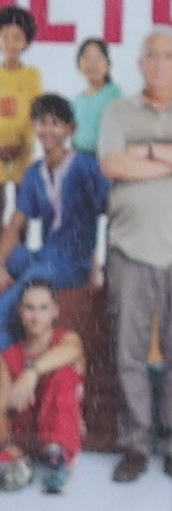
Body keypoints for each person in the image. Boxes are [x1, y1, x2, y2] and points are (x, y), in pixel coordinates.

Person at [97, 26, 172, 485]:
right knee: (128, 353)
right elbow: (112, 164)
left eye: (167, 56)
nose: (158, 63)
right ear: (139, 63)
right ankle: (134, 445)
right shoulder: (118, 110)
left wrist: (147, 150)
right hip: (129, 250)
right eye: (151, 55)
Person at [3, 94, 106, 348]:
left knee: (8, 306)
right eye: (41, 122)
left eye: (55, 123)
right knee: (16, 256)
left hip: (72, 263)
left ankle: (6, 370)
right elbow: (16, 225)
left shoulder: (85, 165)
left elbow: (107, 211)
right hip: (45, 254)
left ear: (70, 129)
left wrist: (98, 267)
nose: (47, 129)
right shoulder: (34, 171)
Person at [0, 278, 84, 493]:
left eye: (43, 308)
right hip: (24, 436)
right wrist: (7, 441)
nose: (36, 317)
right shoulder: (8, 356)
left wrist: (31, 373)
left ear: (55, 311)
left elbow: (72, 351)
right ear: (20, 311)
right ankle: (15, 461)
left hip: (61, 438)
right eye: (29, 308)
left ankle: (55, 455)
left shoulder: (67, 340)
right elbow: (4, 407)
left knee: (63, 372)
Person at [0, 7, 39, 189]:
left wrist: (24, 144)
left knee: (23, 201)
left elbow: (37, 112)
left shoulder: (32, 75)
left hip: (22, 150)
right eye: (5, 36)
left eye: (17, 37)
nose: (10, 43)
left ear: (26, 42)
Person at [68, 36, 118, 156]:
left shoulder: (115, 95)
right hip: (79, 159)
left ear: (108, 64)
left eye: (98, 58)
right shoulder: (78, 100)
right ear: (78, 65)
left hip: (105, 161)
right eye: (87, 58)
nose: (92, 63)